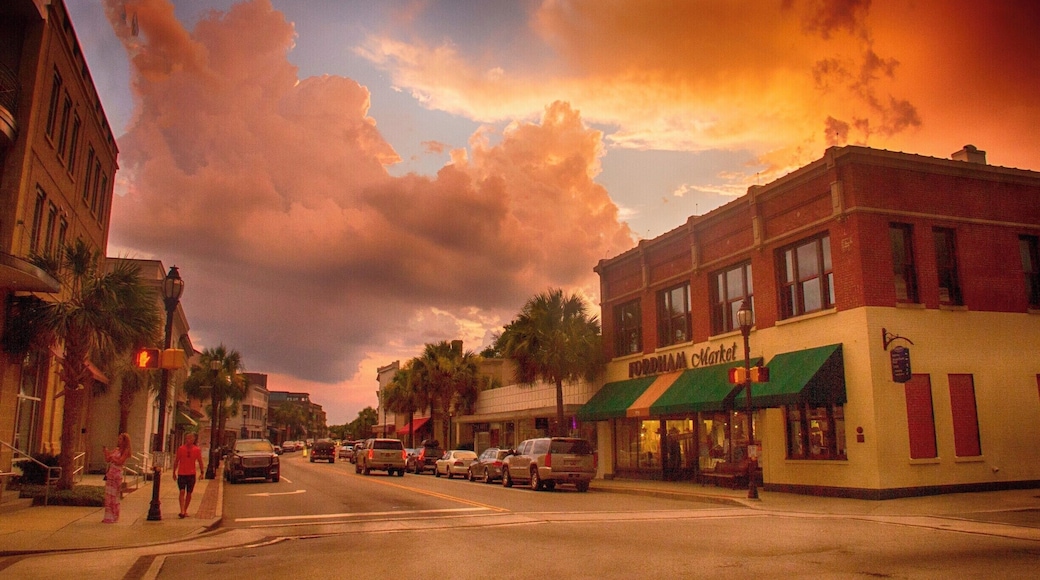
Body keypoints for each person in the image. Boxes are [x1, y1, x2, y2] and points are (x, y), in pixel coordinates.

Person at [171, 432, 205, 518]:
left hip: (191, 474)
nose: (188, 440)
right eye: (187, 438)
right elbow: (176, 461)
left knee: (189, 493)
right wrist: (174, 472)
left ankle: (185, 510)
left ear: (194, 439)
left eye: (190, 438)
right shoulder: (181, 449)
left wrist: (202, 472)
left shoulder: (196, 450)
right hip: (182, 473)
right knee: (182, 491)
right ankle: (182, 510)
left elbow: (200, 461)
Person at [102, 432, 132, 523]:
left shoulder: (125, 451)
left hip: (117, 473)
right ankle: (108, 515)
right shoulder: (116, 450)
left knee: (114, 495)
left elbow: (120, 462)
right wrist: (106, 452)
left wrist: (113, 458)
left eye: (120, 439)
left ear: (124, 441)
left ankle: (114, 515)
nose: (118, 441)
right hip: (111, 473)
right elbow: (108, 459)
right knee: (109, 495)